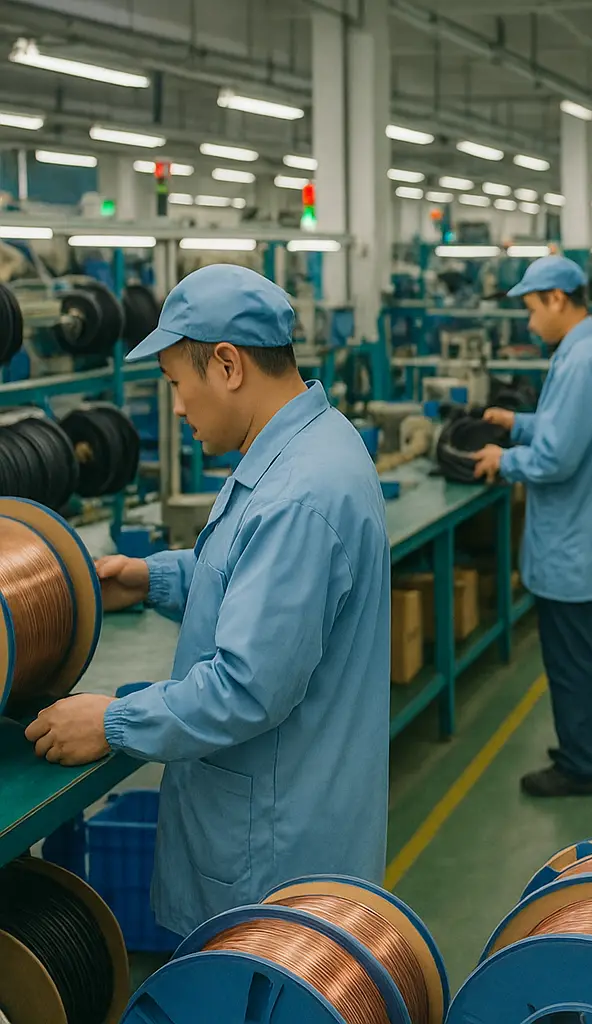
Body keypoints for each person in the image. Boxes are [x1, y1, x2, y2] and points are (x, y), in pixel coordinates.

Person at [25, 264, 391, 939]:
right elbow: (252, 580)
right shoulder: (300, 450)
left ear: (226, 364)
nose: (177, 407)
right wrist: (152, 576)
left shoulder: (297, 496)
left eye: (175, 384)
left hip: (274, 862)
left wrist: (111, 721)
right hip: (288, 827)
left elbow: (247, 688)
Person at [474, 255, 592, 797]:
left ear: (558, 299)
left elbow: (556, 457)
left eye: (532, 308)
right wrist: (517, 423)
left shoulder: (579, 360)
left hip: (572, 540)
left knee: (570, 659)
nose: (529, 322)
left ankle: (579, 763)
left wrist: (504, 459)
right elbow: (567, 424)